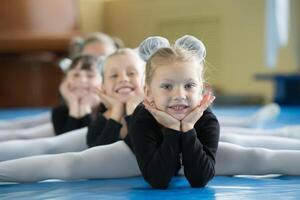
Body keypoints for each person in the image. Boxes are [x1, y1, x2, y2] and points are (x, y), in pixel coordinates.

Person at [0, 36, 300, 186]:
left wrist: (186, 129)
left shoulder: (205, 116)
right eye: (167, 87)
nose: (179, 95)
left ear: (202, 89)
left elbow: (199, 175)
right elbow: (157, 176)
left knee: (259, 155)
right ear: (149, 93)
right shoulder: (142, 116)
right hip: (139, 156)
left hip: (194, 152)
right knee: (70, 164)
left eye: (188, 86)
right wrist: (171, 129)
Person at [0, 48, 145, 162]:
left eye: (89, 75)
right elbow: (72, 142)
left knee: (35, 139)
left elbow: (78, 147)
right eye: (76, 75)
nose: (82, 80)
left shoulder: (107, 104)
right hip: (78, 135)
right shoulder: (64, 111)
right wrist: (75, 105)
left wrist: (85, 109)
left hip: (89, 147)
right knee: (24, 131)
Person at [0, 32, 118, 131]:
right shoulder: (76, 82)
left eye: (103, 58)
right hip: (70, 119)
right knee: (24, 126)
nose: (94, 63)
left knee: (30, 135)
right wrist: (74, 102)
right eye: (88, 58)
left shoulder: (115, 92)